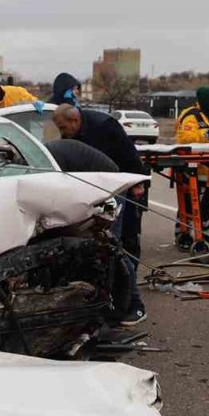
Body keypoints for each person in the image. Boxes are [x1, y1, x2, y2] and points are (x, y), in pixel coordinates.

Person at [50, 73, 150, 326]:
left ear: (75, 120)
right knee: (99, 245)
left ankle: (134, 305)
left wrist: (138, 183)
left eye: (63, 128)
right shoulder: (67, 140)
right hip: (95, 191)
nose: (62, 133)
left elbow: (129, 155)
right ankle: (105, 298)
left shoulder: (103, 126)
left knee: (111, 244)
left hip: (115, 188)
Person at [173, 86, 209, 250]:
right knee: (190, 201)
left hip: (207, 167)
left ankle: (207, 232)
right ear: (205, 101)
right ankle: (183, 233)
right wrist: (207, 135)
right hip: (193, 166)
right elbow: (186, 138)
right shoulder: (191, 116)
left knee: (205, 201)